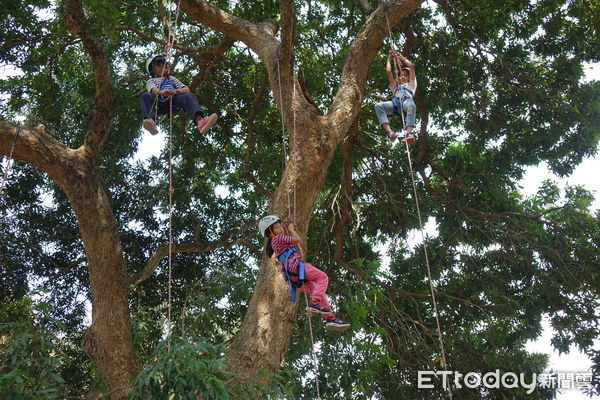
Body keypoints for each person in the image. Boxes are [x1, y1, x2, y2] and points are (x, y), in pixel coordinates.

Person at [258, 215, 350, 332]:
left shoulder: (276, 242)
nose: (280, 229)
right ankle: (314, 303)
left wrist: (287, 225)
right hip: (296, 267)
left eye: (280, 226)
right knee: (322, 277)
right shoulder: (277, 239)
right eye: (276, 228)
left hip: (292, 276)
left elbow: (296, 247)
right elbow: (297, 240)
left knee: (318, 292)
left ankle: (330, 318)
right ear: (269, 232)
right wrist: (291, 230)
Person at [141, 54, 218, 135]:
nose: (161, 67)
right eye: (158, 65)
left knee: (189, 95)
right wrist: (162, 92)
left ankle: (200, 121)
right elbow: (153, 90)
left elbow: (187, 89)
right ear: (152, 68)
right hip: (160, 103)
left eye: (163, 65)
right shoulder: (151, 81)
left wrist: (177, 91)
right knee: (146, 96)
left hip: (174, 101)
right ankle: (151, 122)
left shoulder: (171, 79)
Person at [374, 51, 417, 144]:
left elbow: (411, 67)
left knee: (411, 106)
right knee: (378, 106)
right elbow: (389, 71)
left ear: (409, 77)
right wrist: (388, 59)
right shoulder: (395, 86)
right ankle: (390, 133)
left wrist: (401, 58)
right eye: (402, 75)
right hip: (395, 105)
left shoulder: (411, 84)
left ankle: (409, 133)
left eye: (406, 75)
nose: (403, 77)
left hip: (406, 104)